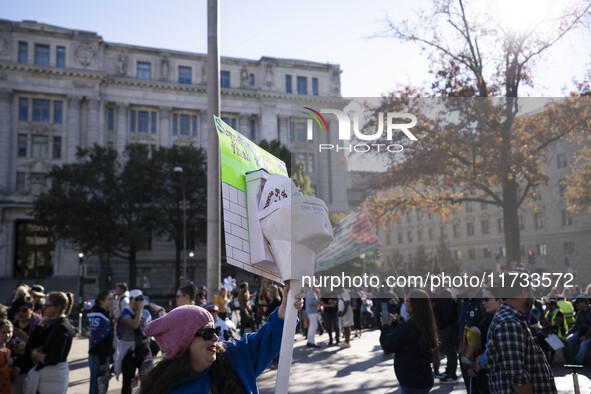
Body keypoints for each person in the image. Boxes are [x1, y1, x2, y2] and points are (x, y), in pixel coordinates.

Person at [139, 282, 302, 393]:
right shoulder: (167, 388)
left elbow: (267, 339)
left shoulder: (233, 356)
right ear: (184, 342)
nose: (216, 337)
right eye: (207, 333)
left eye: (215, 329)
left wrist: (286, 308)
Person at [486, 284, 557, 393]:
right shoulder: (509, 322)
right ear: (523, 292)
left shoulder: (514, 318)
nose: (533, 296)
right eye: (531, 291)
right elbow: (517, 376)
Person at [380, 289, 438, 394]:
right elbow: (409, 339)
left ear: (414, 304)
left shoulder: (409, 326)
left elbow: (387, 344)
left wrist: (385, 327)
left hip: (412, 381)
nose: (405, 303)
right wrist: (395, 324)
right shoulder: (425, 323)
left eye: (407, 300)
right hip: (423, 377)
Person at [28, 291, 76, 394]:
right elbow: (32, 343)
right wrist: (40, 323)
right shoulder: (54, 324)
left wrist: (36, 354)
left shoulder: (61, 326)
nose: (43, 308)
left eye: (47, 306)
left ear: (58, 307)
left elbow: (53, 359)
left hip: (53, 379)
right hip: (50, 377)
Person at [115, 289, 152, 394]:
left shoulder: (145, 313)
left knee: (146, 381)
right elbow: (134, 325)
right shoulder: (124, 314)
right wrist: (140, 310)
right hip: (129, 353)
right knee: (127, 383)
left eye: (141, 299)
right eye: (137, 299)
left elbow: (148, 328)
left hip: (142, 351)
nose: (139, 302)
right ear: (130, 300)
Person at [9, 295, 42, 393]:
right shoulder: (12, 326)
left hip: (33, 371)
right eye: (17, 311)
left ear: (32, 309)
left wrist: (24, 337)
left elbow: (41, 347)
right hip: (15, 373)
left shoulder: (39, 325)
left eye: (24, 310)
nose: (20, 313)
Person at [88, 290, 115, 394]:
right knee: (98, 384)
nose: (112, 301)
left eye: (113, 299)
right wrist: (103, 361)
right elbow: (99, 340)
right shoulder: (99, 315)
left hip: (103, 354)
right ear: (101, 301)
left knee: (102, 383)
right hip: (98, 355)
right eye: (109, 299)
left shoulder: (103, 313)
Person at [432, 284, 458, 382]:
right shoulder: (440, 296)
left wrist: (440, 325)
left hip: (447, 328)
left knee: (450, 351)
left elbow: (447, 314)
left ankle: (451, 373)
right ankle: (449, 371)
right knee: (448, 351)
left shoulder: (445, 295)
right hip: (444, 327)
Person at [474, 287, 503, 377]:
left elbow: (492, 351)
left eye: (486, 299)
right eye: (482, 300)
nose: (483, 303)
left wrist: (480, 362)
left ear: (499, 300)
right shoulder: (495, 319)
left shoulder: (501, 321)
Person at [566, 295, 591, 365]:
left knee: (584, 343)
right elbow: (576, 326)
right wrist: (568, 332)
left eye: (578, 303)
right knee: (569, 340)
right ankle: (576, 358)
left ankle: (578, 361)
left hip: (588, 334)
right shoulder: (580, 313)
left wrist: (586, 336)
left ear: (584, 303)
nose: (577, 305)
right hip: (582, 332)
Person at [0, 319, 17, 394]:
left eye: (9, 332)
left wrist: (13, 370)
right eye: (3, 332)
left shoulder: (8, 351)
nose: (7, 335)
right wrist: (9, 365)